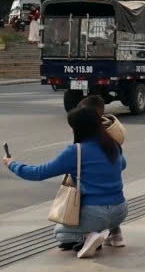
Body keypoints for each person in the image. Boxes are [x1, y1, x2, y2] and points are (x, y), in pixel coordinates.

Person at [4, 106, 128, 257]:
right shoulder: (113, 145)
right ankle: (115, 234)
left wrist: (12, 164)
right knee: (107, 207)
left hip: (95, 214)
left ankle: (89, 236)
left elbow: (38, 173)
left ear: (77, 128)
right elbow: (122, 165)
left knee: (60, 233)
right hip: (121, 211)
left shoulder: (75, 151)